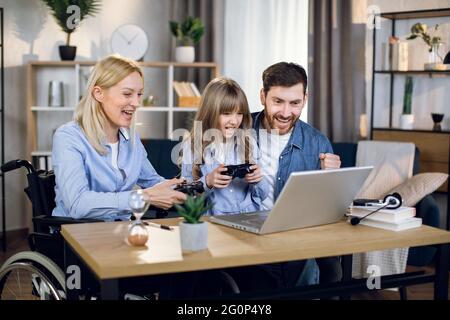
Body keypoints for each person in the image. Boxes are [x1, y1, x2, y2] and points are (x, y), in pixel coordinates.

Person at [52, 54, 187, 221]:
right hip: (78, 235)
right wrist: (145, 197)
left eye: (139, 94)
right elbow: (78, 205)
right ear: (98, 93)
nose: (137, 103)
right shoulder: (68, 137)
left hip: (120, 231)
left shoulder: (131, 138)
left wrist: (196, 184)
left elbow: (152, 181)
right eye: (127, 94)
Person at [253, 62, 342, 286]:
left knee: (318, 262)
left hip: (296, 235)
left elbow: (330, 211)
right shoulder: (237, 130)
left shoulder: (318, 142)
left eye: (294, 103)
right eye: (278, 102)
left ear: (305, 98)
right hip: (248, 233)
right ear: (263, 96)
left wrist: (330, 180)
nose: (285, 113)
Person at [180, 77, 269, 215]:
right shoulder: (192, 147)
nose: (234, 121)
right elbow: (185, 199)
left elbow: (262, 195)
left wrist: (258, 180)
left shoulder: (248, 142)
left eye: (239, 113)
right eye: (227, 113)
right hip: (213, 222)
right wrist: (207, 181)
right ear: (210, 113)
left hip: (248, 219)